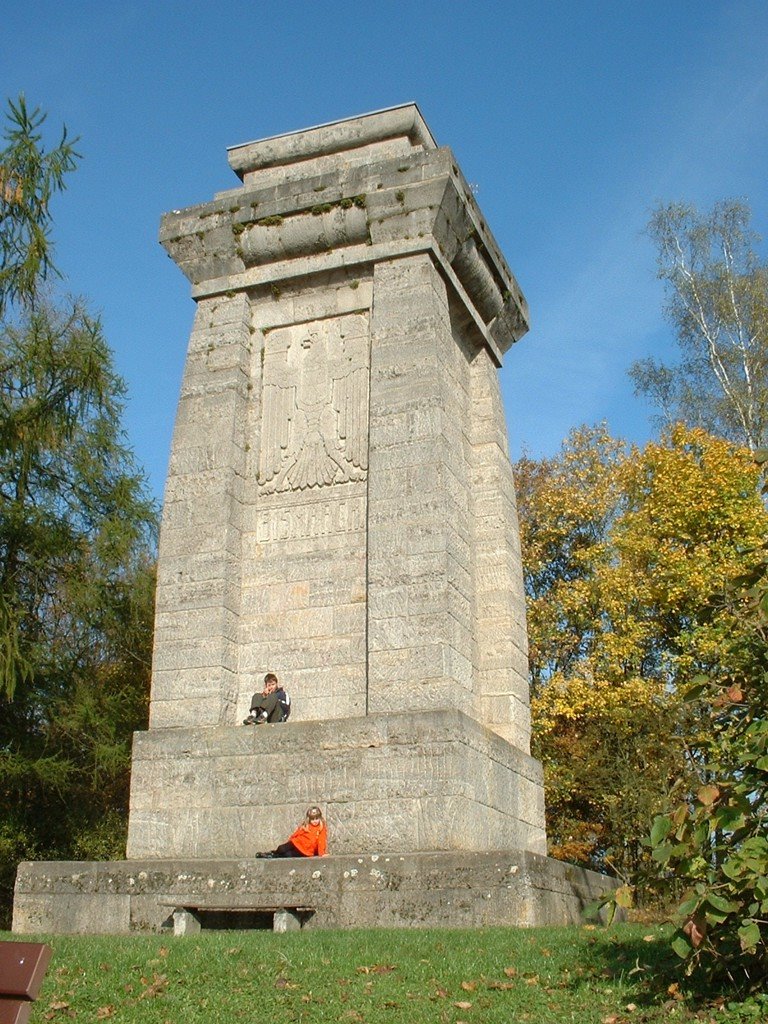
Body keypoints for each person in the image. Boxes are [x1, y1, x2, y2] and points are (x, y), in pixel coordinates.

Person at [255, 806, 328, 858]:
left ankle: (273, 856)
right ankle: (271, 853)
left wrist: (321, 853)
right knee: (282, 848)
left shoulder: (321, 828)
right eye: (312, 819)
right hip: (297, 842)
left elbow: (321, 841)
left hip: (306, 850)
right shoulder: (306, 826)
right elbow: (297, 833)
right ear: (309, 819)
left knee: (287, 855)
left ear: (320, 818)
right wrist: (290, 841)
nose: (315, 821)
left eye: (316, 818)